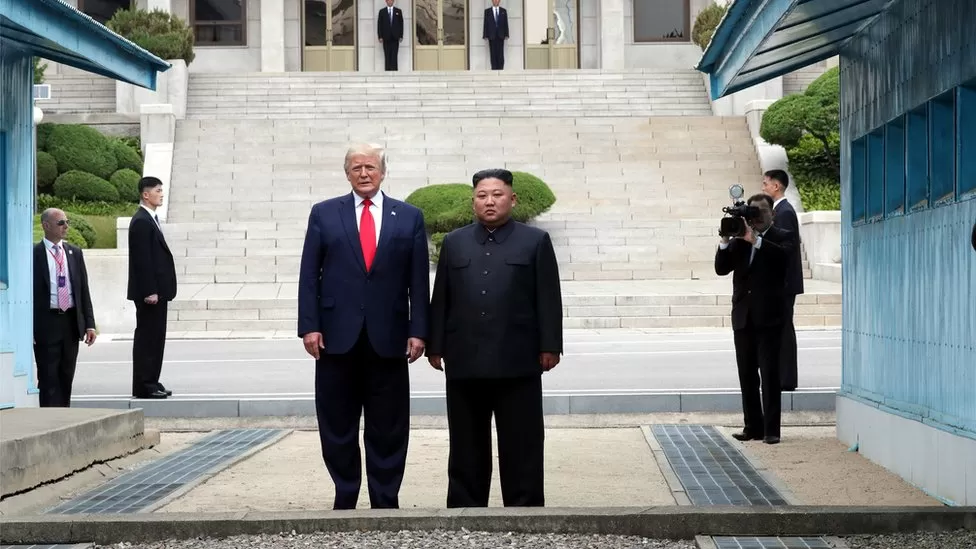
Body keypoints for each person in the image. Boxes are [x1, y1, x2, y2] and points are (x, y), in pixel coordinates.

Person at [297, 143, 430, 510]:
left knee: (389, 424)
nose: (364, 173)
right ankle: (345, 494)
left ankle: (385, 499)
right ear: (347, 173)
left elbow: (419, 280)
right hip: (335, 337)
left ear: (383, 172)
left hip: (389, 337)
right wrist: (309, 326)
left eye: (370, 167)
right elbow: (309, 275)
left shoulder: (409, 216)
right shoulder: (324, 213)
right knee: (337, 423)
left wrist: (419, 330)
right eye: (356, 168)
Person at [426, 168, 563, 508]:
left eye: (497, 195)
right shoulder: (455, 242)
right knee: (466, 441)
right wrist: (435, 345)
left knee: (522, 440)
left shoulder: (534, 241)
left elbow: (548, 297)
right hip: (465, 359)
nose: (489, 201)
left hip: (518, 359)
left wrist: (550, 345)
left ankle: (525, 508)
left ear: (512, 199)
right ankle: (465, 507)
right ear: (473, 201)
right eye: (482, 195)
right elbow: (441, 297)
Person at [714, 193, 794, 445]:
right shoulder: (740, 239)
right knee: (747, 376)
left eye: (762, 211)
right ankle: (752, 426)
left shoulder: (782, 236)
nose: (757, 216)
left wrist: (756, 240)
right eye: (753, 211)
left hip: (769, 317)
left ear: (773, 213)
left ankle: (771, 430)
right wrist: (725, 240)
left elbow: (783, 260)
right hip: (743, 317)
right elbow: (721, 269)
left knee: (769, 375)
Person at [32, 208, 97, 407]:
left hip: (70, 320)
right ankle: (48, 416)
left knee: (66, 374)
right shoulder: (34, 254)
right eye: (61, 223)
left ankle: (64, 414)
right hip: (47, 321)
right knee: (48, 376)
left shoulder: (74, 253)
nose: (66, 226)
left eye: (67, 222)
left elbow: (83, 290)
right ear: (46, 225)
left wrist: (90, 324)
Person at [127, 176, 177, 400]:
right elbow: (142, 260)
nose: (161, 194)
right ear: (145, 194)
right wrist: (149, 290)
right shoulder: (141, 221)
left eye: (161, 190)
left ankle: (152, 380)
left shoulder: (150, 219)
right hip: (150, 293)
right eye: (157, 190)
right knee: (147, 338)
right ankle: (144, 384)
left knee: (156, 338)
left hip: (159, 292)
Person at [762, 169, 804, 391]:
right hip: (782, 282)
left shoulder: (784, 212)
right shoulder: (780, 210)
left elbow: (786, 248)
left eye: (766, 184)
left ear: (776, 186)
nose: (763, 188)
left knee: (785, 329)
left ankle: (786, 379)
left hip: (785, 282)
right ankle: (781, 376)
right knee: (781, 328)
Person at [377, 0, 404, 71]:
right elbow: (379, 24)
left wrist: (401, 35)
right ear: (386, 1)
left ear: (393, 1)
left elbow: (401, 24)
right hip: (386, 37)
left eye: (391, 0)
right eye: (388, 0)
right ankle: (387, 71)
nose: (390, 2)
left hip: (395, 37)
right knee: (387, 55)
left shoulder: (398, 11)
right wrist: (380, 36)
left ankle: (394, 70)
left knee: (394, 55)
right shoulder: (382, 12)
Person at [483, 0, 509, 70]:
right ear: (492, 1)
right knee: (493, 53)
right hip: (491, 35)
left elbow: (505, 23)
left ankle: (501, 68)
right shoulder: (487, 11)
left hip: (501, 35)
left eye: (497, 0)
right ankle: (494, 68)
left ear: (499, 1)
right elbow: (485, 24)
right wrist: (485, 35)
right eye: (494, 0)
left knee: (500, 53)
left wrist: (506, 34)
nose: (496, 1)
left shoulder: (503, 11)